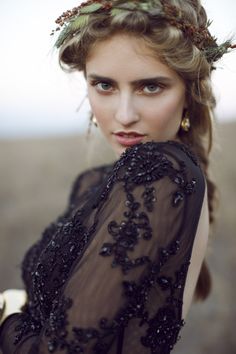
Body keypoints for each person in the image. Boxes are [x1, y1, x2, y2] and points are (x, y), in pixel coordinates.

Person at [0, 0, 234, 353]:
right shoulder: (98, 182)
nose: (124, 115)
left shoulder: (158, 173)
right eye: (105, 85)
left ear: (189, 93)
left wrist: (8, 314)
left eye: (150, 87)